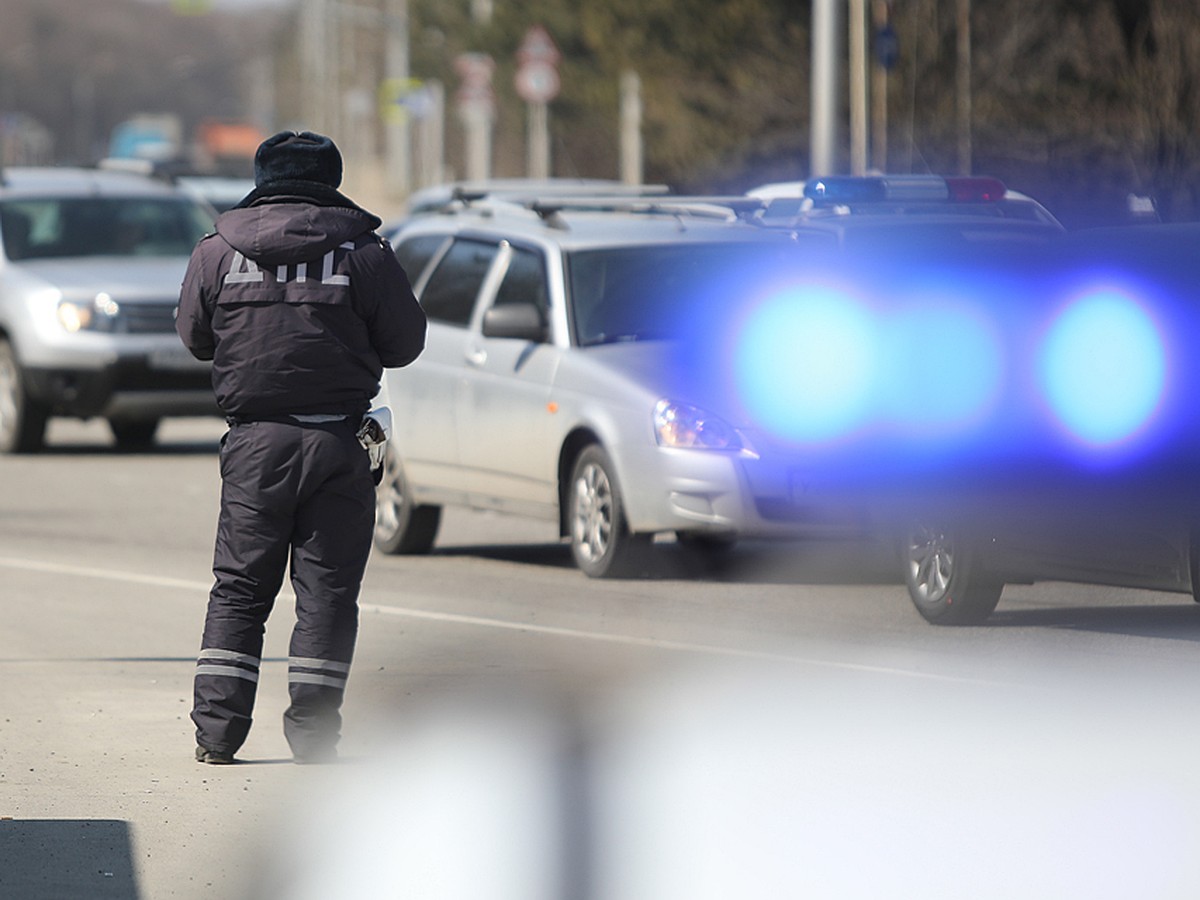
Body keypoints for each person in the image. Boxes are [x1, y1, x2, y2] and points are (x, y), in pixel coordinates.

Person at [176, 130, 426, 765]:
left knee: (238, 591)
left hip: (255, 446)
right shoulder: (365, 253)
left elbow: (194, 337)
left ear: (262, 179)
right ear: (331, 181)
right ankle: (313, 738)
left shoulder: (217, 251)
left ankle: (217, 736)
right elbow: (404, 345)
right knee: (328, 595)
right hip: (340, 444)